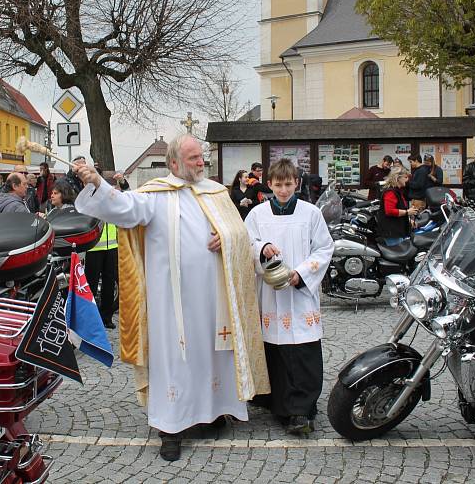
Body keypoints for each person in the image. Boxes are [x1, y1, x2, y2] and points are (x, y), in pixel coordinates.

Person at [73, 134, 269, 462]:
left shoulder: (217, 193)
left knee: (211, 354)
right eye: (193, 158)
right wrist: (98, 185)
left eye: (201, 157)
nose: (200, 162)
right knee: (174, 361)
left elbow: (239, 233)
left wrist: (228, 239)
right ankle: (171, 427)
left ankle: (211, 413)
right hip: (171, 303)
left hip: (213, 299)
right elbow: (122, 208)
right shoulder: (155, 196)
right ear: (175, 162)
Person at [244, 158, 334, 436]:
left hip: (300, 293)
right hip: (271, 295)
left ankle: (302, 409)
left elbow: (324, 248)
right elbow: (245, 242)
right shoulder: (258, 215)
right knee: (277, 350)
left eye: (288, 184)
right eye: (278, 185)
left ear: (297, 183)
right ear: (269, 184)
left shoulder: (310, 213)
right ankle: (278, 403)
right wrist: (262, 248)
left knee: (303, 350)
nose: (283, 190)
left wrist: (302, 274)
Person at [85, 215, 119, 329]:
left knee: (109, 283)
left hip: (112, 246)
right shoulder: (94, 200)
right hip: (94, 247)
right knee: (91, 284)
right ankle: (89, 318)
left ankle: (106, 318)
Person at [378, 168, 418, 246]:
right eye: (405, 177)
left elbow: (399, 208)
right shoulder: (390, 192)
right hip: (391, 231)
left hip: (396, 230)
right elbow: (389, 211)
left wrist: (408, 220)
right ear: (398, 178)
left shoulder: (397, 191)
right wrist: (407, 212)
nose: (407, 180)